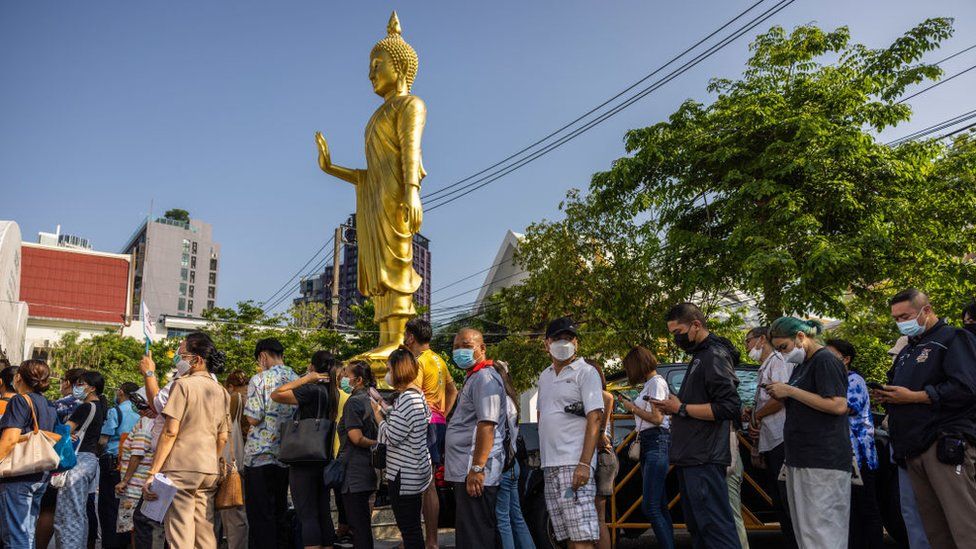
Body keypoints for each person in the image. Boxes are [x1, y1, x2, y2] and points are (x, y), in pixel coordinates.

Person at [874, 289, 976, 547]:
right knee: (935, 530)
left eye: (905, 316)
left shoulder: (954, 338)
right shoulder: (909, 349)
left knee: (964, 526)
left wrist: (916, 397)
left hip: (943, 444)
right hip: (911, 446)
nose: (900, 323)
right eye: (895, 318)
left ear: (926, 310)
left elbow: (965, 388)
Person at [652, 303, 742, 548]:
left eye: (678, 332)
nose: (676, 339)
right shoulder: (700, 357)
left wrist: (680, 408)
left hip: (705, 457)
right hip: (692, 457)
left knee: (715, 529)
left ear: (696, 325)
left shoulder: (713, 355)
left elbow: (729, 407)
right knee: (700, 529)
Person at [765, 317, 851, 549]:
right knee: (808, 532)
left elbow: (838, 405)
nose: (783, 354)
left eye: (784, 347)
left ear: (801, 337)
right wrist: (783, 395)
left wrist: (790, 391)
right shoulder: (803, 365)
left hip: (822, 459)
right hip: (801, 458)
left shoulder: (825, 360)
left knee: (823, 530)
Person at [144, 331, 230, 547]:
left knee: (180, 533)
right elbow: (223, 436)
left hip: (181, 467)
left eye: (182, 355)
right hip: (209, 469)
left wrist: (153, 471)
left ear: (197, 359)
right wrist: (213, 461)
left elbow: (171, 431)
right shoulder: (222, 392)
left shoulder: (182, 385)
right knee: (205, 532)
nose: (179, 359)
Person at [537, 317, 604, 549]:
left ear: (576, 343)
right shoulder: (544, 376)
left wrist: (585, 463)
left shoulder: (585, 372)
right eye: (557, 338)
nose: (563, 343)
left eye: (568, 338)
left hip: (574, 463)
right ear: (546, 343)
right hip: (550, 465)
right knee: (565, 536)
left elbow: (595, 416)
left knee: (582, 536)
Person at [271, 350, 341, 549]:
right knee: (323, 510)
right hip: (323, 456)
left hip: (304, 458)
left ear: (313, 367)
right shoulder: (332, 391)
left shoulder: (311, 390)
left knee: (307, 512)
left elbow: (277, 394)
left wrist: (305, 379)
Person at [445, 328, 507, 548]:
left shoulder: (485, 378)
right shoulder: (474, 377)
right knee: (474, 534)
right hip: (465, 471)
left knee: (476, 537)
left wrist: (477, 469)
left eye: (466, 346)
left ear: (482, 349)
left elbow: (487, 425)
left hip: (475, 472)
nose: (460, 351)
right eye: (456, 346)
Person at [402, 317, 458, 549]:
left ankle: (429, 541)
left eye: (406, 334)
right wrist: (443, 412)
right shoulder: (439, 360)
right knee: (428, 482)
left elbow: (412, 394)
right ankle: (429, 540)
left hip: (424, 425)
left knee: (424, 484)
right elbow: (453, 389)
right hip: (438, 423)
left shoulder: (419, 362)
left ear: (412, 337)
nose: (404, 339)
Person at [824, 338, 885, 549]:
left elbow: (844, 408)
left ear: (846, 359)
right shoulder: (832, 380)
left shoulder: (854, 380)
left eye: (830, 356)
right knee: (847, 513)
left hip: (859, 456)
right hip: (839, 457)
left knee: (865, 509)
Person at [744, 326, 798, 548]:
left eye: (748, 341)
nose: (746, 346)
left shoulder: (777, 361)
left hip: (781, 439)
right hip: (770, 439)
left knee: (788, 503)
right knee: (780, 502)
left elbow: (781, 397)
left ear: (761, 339)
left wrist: (757, 414)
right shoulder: (765, 366)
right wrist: (753, 412)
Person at [374, 348, 432, 549]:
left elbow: (391, 436)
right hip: (415, 469)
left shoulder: (407, 399)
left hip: (404, 473)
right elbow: (404, 423)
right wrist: (385, 407)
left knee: (409, 529)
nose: (388, 373)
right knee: (412, 527)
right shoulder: (416, 395)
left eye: (389, 368)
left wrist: (378, 416)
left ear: (398, 370)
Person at [243, 337, 298, 549]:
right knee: (280, 514)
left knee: (260, 517)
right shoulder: (297, 378)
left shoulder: (260, 379)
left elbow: (253, 418)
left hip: (260, 456)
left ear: (263, 356)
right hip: (286, 455)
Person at [620, 346, 674, 549]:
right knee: (659, 505)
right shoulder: (651, 384)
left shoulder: (656, 383)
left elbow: (657, 418)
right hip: (650, 443)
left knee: (650, 506)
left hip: (656, 442)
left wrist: (632, 408)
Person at [0, 360, 57, 548]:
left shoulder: (20, 400)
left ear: (18, 377)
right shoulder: (48, 404)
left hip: (18, 475)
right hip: (40, 473)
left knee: (16, 535)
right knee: (27, 531)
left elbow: (9, 439)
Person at [54, 370, 109, 548]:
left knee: (68, 513)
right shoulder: (100, 407)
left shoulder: (86, 407)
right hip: (90, 460)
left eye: (80, 384)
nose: (76, 387)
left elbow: (64, 431)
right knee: (79, 512)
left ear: (92, 388)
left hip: (78, 461)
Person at [337, 361, 380, 549]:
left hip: (354, 471)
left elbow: (356, 437)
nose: (343, 378)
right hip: (368, 469)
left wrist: (378, 445)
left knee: (359, 527)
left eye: (347, 374)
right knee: (362, 524)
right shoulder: (373, 398)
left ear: (359, 379)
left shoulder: (354, 401)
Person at [493, 360, 535, 549]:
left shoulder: (501, 402)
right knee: (516, 517)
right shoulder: (512, 400)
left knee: (503, 520)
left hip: (503, 465)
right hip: (514, 464)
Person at [98, 381, 141, 549]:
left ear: (121, 392)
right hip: (130, 464)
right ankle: (124, 542)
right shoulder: (139, 414)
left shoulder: (115, 411)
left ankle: (110, 543)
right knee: (123, 505)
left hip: (112, 462)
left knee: (108, 507)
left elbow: (104, 439)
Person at [582, 360, 617, 549]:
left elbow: (609, 397)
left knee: (598, 516)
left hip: (602, 456)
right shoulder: (589, 395)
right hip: (600, 456)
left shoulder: (598, 393)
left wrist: (601, 431)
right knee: (595, 516)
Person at [114, 389, 155, 543]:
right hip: (140, 483)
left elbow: (137, 455)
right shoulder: (151, 422)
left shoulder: (145, 424)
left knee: (133, 529)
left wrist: (125, 481)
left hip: (135, 486)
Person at [220, 370, 249, 549]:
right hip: (242, 459)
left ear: (230, 386)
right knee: (238, 510)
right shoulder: (245, 398)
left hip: (229, 461)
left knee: (231, 512)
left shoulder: (234, 398)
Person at [225, 370, 251, 438]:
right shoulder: (250, 398)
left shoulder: (234, 396)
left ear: (230, 387)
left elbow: (226, 424)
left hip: (237, 440)